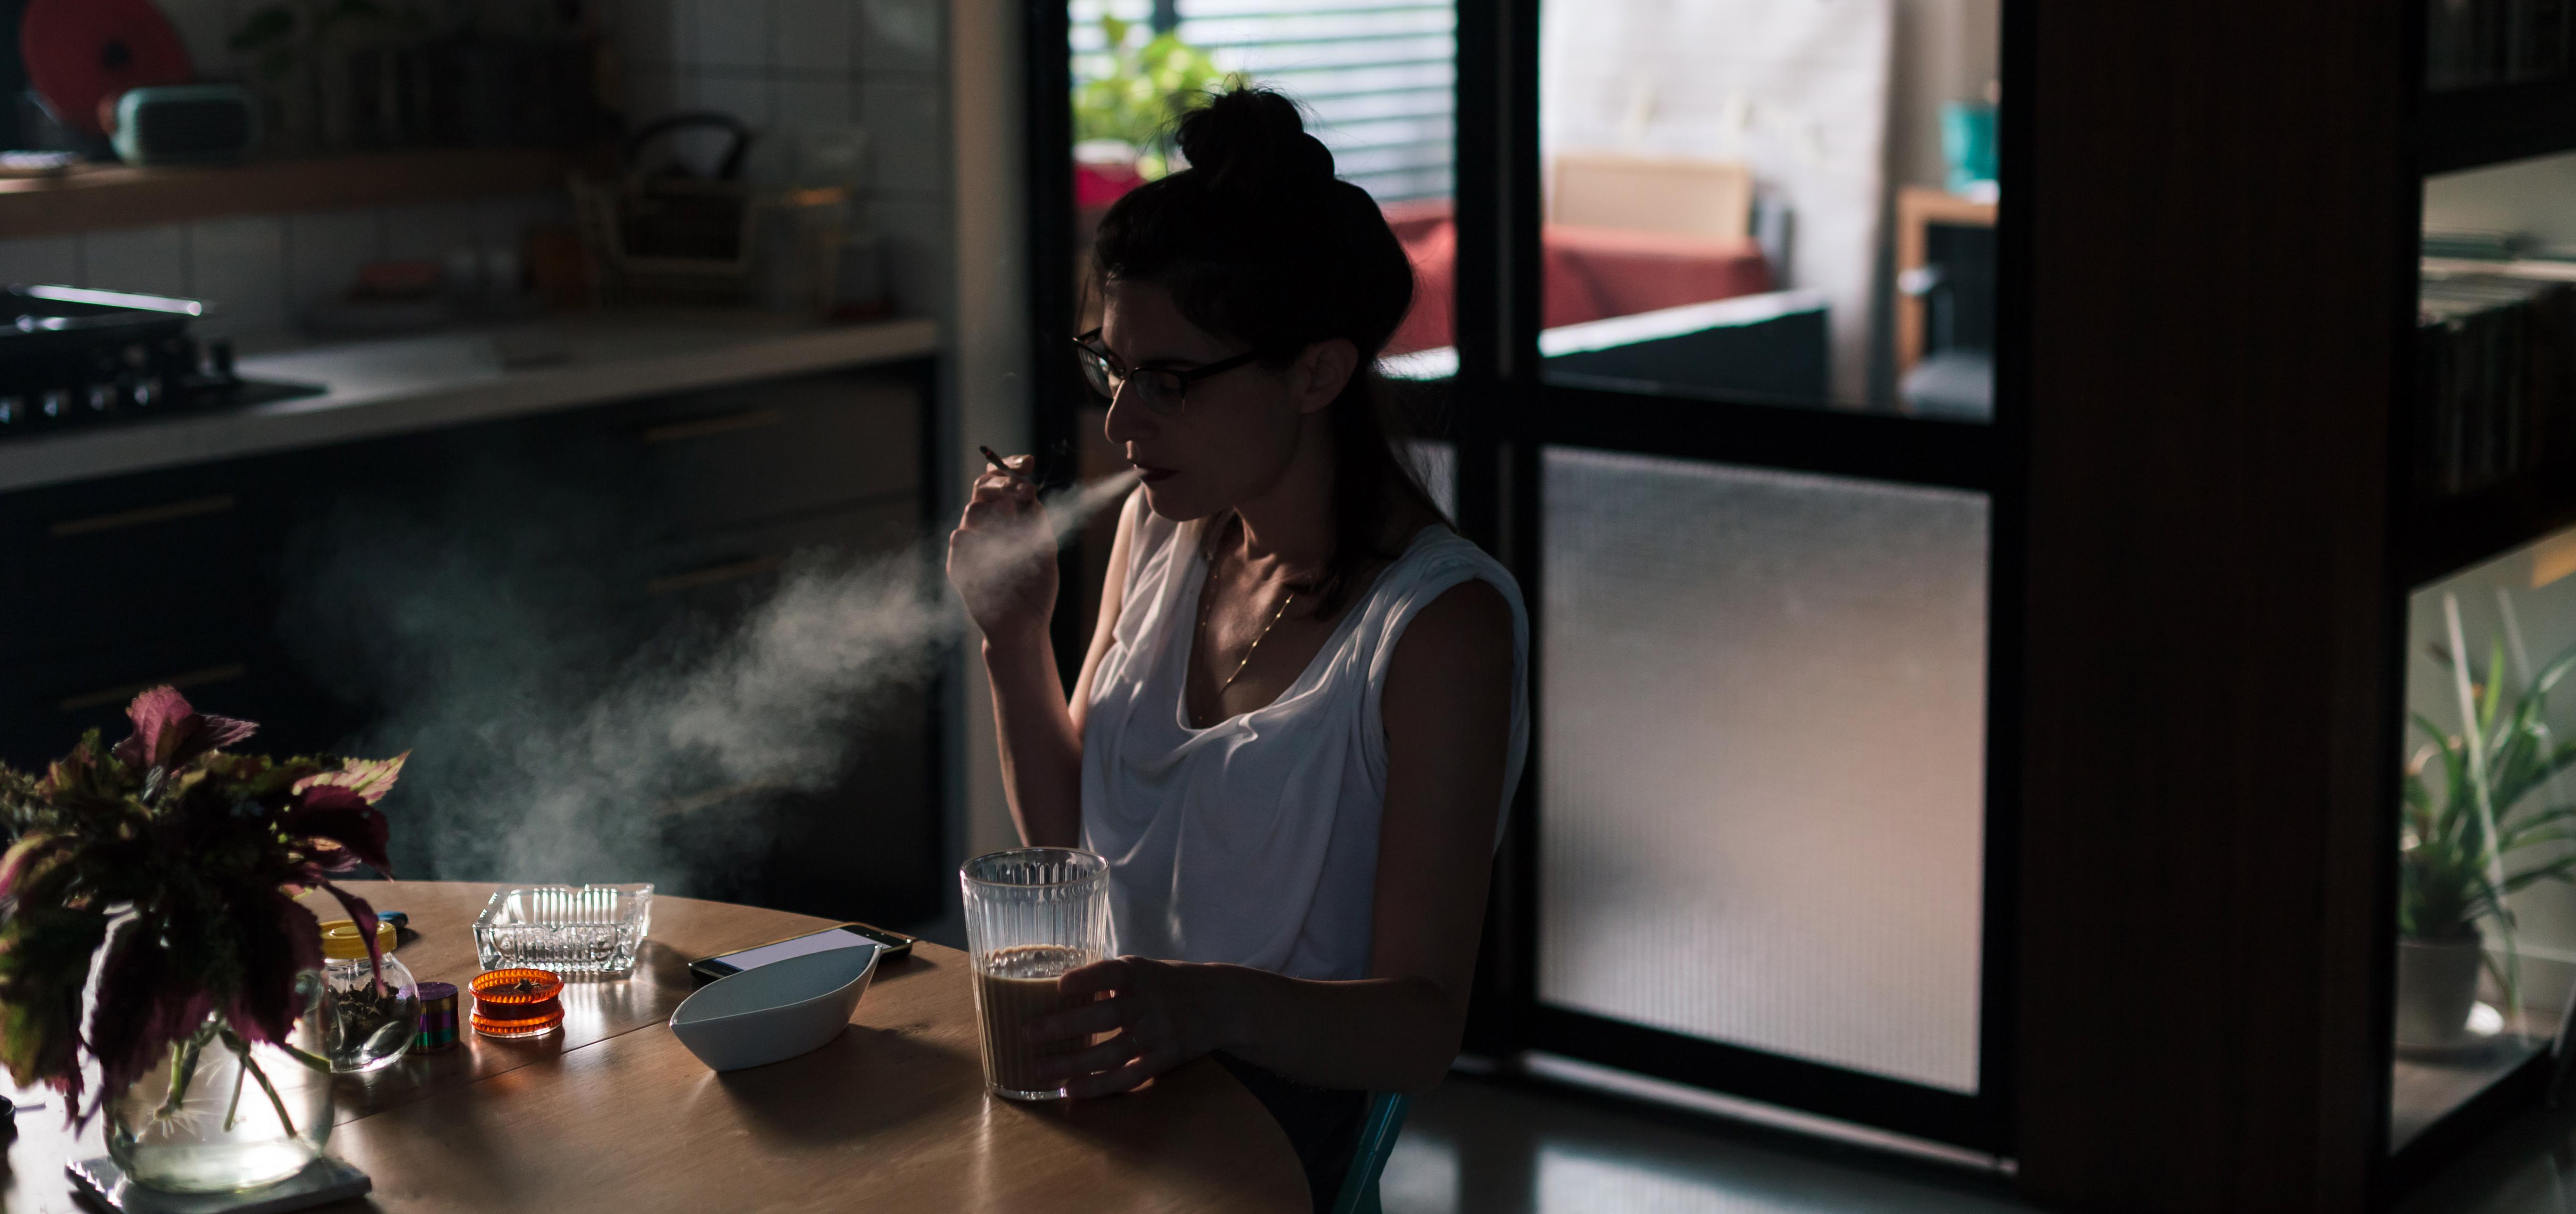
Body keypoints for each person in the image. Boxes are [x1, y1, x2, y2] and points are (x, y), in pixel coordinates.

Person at [946, 86, 1527, 1208]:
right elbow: (1075, 847)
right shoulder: (1156, 531)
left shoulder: (1440, 629)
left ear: (1315, 372)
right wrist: (1014, 636)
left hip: (1271, 1141)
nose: (1119, 425)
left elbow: (1416, 1028)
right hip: (1121, 1093)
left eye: (1169, 381)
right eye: (1110, 367)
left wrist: (1201, 1006)